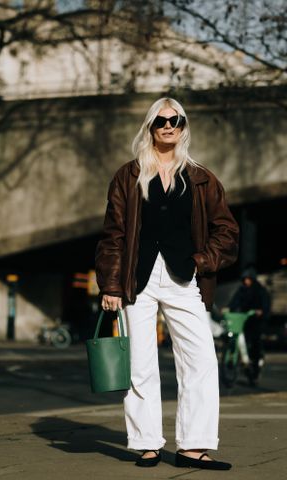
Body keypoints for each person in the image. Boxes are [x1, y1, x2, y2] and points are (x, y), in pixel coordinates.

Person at [95, 97, 239, 470]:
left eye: (176, 120)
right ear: (150, 126)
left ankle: (194, 446)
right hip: (135, 280)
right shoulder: (128, 176)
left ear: (184, 126)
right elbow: (114, 235)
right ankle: (147, 444)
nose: (169, 126)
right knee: (140, 364)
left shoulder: (202, 179)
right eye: (161, 120)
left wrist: (202, 261)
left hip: (183, 278)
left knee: (201, 360)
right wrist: (110, 285)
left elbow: (227, 231)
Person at [228, 266, 271, 381]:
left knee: (255, 344)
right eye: (245, 279)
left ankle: (255, 369)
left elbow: (266, 304)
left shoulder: (260, 290)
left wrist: (261, 311)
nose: (246, 281)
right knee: (240, 339)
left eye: (248, 279)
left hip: (256, 322)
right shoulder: (242, 290)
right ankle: (241, 361)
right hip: (244, 320)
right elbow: (234, 301)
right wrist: (229, 308)